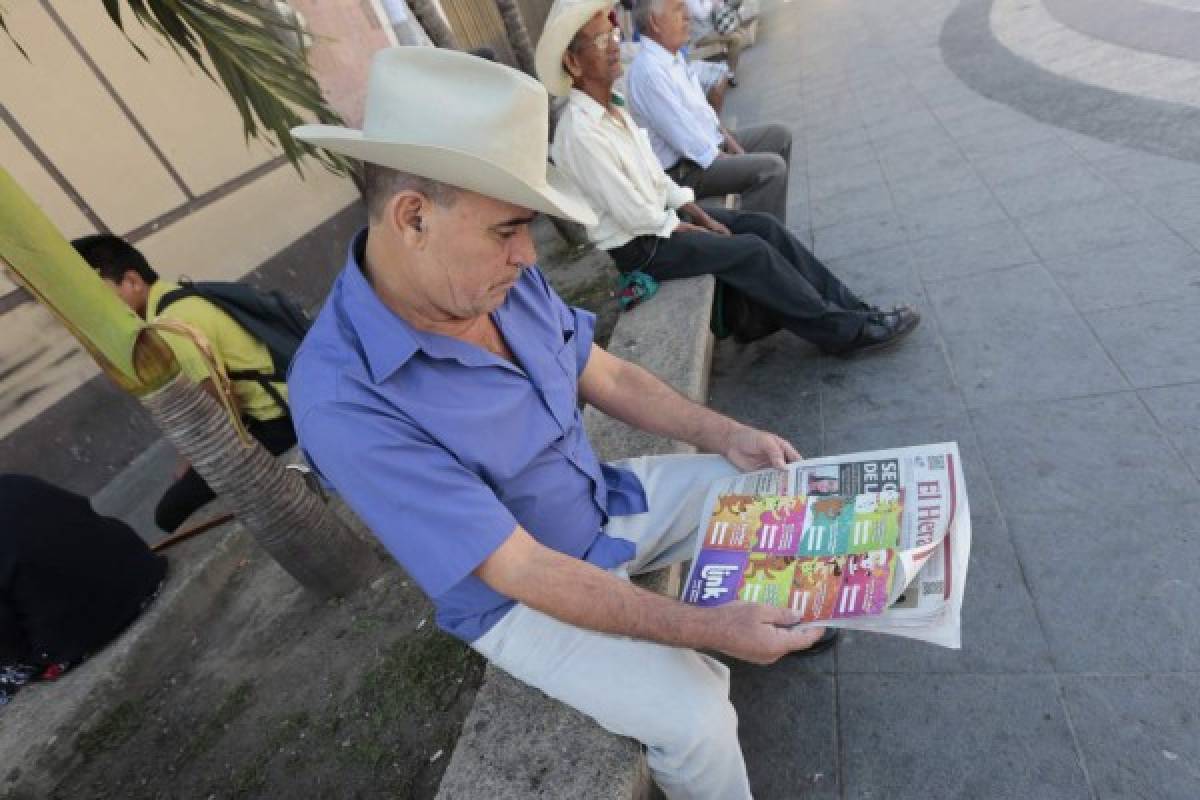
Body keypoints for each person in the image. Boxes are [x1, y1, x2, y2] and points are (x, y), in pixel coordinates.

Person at [289, 46, 831, 799]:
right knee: (697, 715)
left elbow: (603, 373)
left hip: (604, 502)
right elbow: (519, 569)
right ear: (413, 216)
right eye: (508, 229)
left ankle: (779, 620)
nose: (526, 255)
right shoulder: (342, 399)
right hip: (522, 594)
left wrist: (723, 433)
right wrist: (708, 631)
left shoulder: (490, 279)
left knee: (773, 487)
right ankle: (739, 631)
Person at [537, 0, 921, 356]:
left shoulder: (614, 110)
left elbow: (659, 181)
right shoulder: (580, 133)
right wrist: (700, 230)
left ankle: (856, 310)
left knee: (763, 227)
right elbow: (639, 216)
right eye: (601, 39)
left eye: (614, 35)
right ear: (572, 62)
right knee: (750, 249)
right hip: (644, 248)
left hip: (665, 225)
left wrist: (703, 218)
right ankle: (843, 333)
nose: (614, 45)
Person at [72, 235, 297, 532]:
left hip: (280, 420)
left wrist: (194, 461)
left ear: (132, 282)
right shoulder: (177, 294)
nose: (95, 313)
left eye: (98, 299)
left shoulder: (170, 325)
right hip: (287, 398)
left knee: (168, 514)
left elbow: (219, 406)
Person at [1, 475, 166, 707]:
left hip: (81, 635)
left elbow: (9, 640)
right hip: (140, 572)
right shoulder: (12, 482)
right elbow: (80, 510)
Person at [628, 0, 791, 222]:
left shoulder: (671, 56)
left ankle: (768, 228)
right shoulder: (649, 73)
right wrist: (732, 159)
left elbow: (704, 113)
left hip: (707, 147)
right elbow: (688, 142)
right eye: (678, 9)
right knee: (770, 169)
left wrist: (735, 148)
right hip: (685, 171)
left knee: (779, 135)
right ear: (655, 23)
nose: (687, 17)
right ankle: (758, 237)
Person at [684, 0, 746, 86]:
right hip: (699, 36)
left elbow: (718, 7)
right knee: (736, 38)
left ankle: (727, 66)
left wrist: (718, 3)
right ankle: (730, 74)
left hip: (712, 29)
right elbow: (701, 13)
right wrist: (711, 2)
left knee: (737, 33)